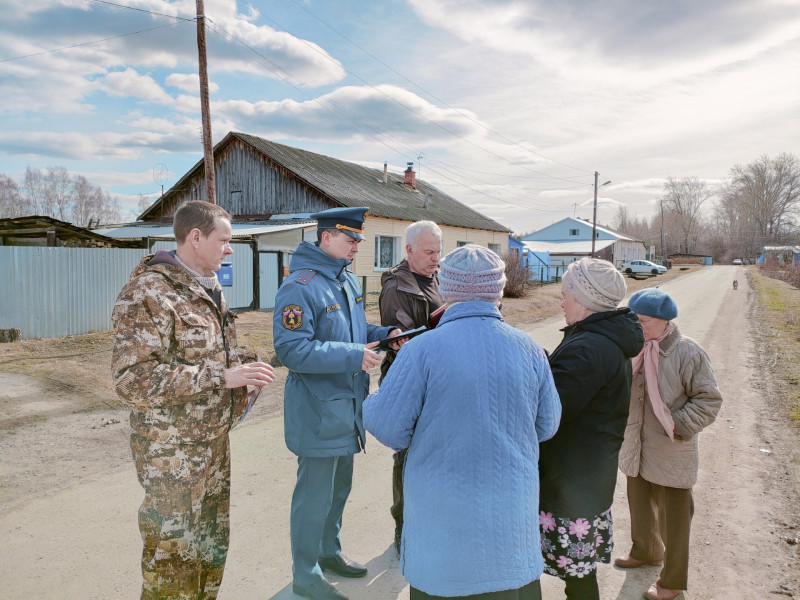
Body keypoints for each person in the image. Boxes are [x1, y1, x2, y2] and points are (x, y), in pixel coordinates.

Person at [364, 244, 562, 600]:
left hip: (443, 536)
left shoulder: (421, 350)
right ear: (498, 289)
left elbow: (391, 429)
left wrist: (371, 400)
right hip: (509, 528)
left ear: (447, 288)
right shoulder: (530, 349)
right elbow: (547, 425)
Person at [111, 200, 276, 600]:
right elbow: (131, 379)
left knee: (210, 550)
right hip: (171, 453)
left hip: (212, 443)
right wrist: (222, 376)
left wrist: (246, 366)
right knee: (172, 561)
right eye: (224, 240)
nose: (230, 249)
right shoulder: (148, 291)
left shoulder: (207, 285)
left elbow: (207, 354)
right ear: (195, 237)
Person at [272, 206, 400, 600]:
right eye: (351, 240)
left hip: (347, 407)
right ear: (327, 238)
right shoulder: (300, 286)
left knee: (338, 489)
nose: (357, 248)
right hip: (317, 411)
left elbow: (353, 331)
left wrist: (386, 332)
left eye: (359, 241)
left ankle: (328, 553)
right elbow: (291, 350)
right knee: (314, 496)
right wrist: (351, 355)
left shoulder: (342, 281)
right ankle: (305, 575)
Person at [538, 257, 644, 600]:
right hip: (587, 475)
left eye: (566, 292)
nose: (562, 299)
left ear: (585, 298)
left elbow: (551, 411)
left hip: (571, 482)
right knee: (580, 575)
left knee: (579, 580)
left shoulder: (588, 348)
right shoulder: (597, 338)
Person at [615, 288, 722, 600]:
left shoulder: (688, 352)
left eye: (643, 320)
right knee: (639, 506)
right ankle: (646, 551)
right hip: (637, 447)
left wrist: (680, 426)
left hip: (672, 449)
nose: (637, 325)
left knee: (673, 521)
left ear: (664, 322)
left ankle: (672, 581)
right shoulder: (633, 347)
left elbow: (709, 400)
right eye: (633, 318)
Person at [377, 220, 445, 555]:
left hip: (439, 378)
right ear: (409, 250)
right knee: (406, 455)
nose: (436, 258)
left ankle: (429, 522)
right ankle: (403, 527)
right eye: (429, 251)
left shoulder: (439, 278)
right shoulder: (397, 286)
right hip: (407, 379)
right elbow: (405, 341)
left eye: (438, 251)